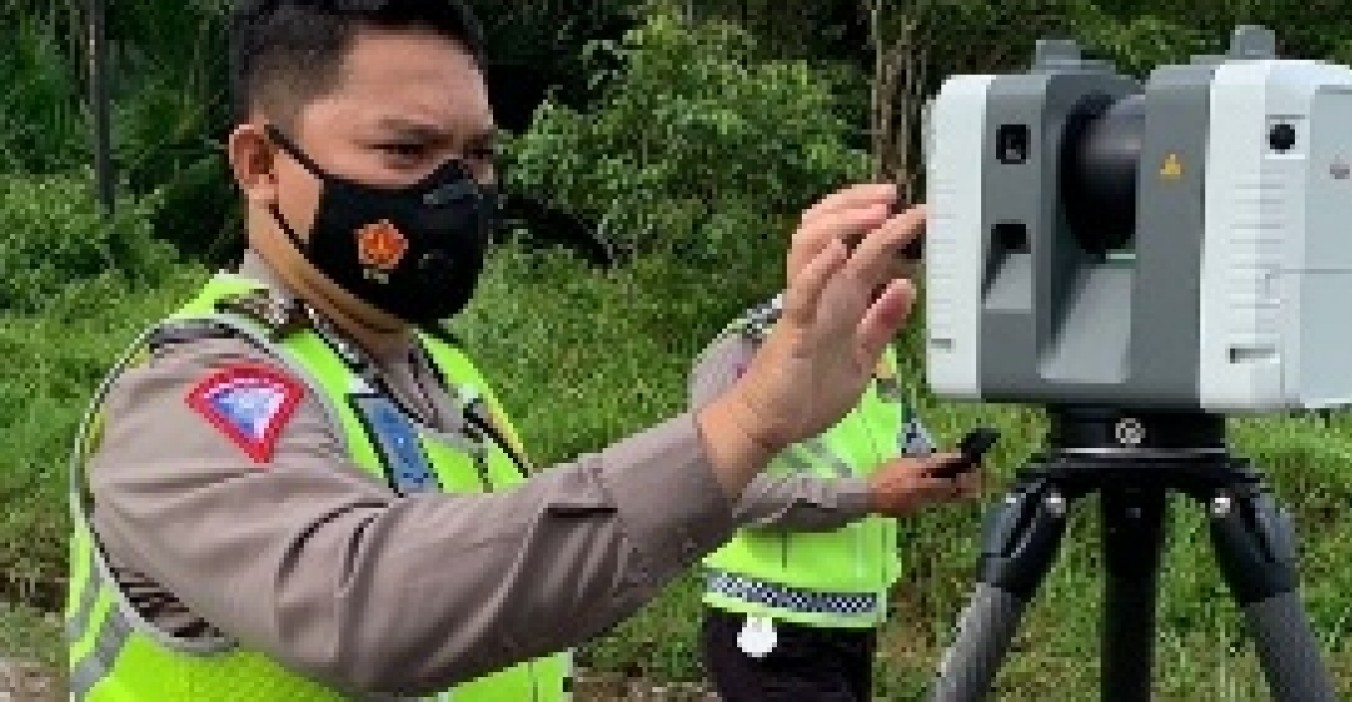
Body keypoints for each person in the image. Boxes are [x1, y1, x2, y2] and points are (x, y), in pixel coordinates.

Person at [62, 1, 928, 700]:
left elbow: (509, 601)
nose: (455, 192)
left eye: (475, 156)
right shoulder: (190, 393)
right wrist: (745, 425)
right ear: (259, 164)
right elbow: (367, 609)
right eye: (406, 151)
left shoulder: (445, 377)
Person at [689, 271, 981, 700]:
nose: (903, 280)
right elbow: (720, 491)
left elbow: (903, 443)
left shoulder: (876, 348)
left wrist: (940, 474)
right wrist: (866, 496)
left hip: (852, 626)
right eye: (888, 257)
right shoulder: (749, 348)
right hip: (769, 623)